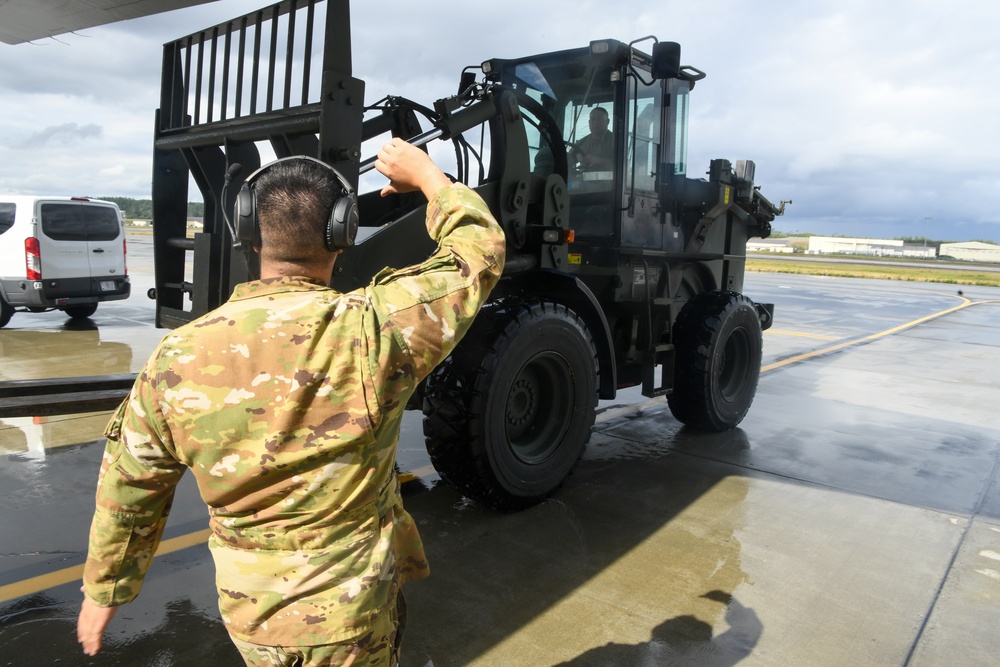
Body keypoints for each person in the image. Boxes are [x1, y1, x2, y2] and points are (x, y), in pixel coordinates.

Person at [76, 139, 506, 666]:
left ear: (248, 235)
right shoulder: (377, 329)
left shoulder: (176, 355)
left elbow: (132, 482)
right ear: (344, 234)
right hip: (350, 618)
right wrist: (429, 177)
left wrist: (105, 591)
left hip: (252, 617)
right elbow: (478, 251)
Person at [570, 106, 613, 171]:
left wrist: (599, 160)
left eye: (599, 119)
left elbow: (624, 166)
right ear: (589, 122)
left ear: (607, 122)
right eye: (593, 119)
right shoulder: (581, 143)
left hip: (613, 181)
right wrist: (576, 157)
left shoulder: (617, 141)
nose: (595, 123)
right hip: (583, 180)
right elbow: (565, 162)